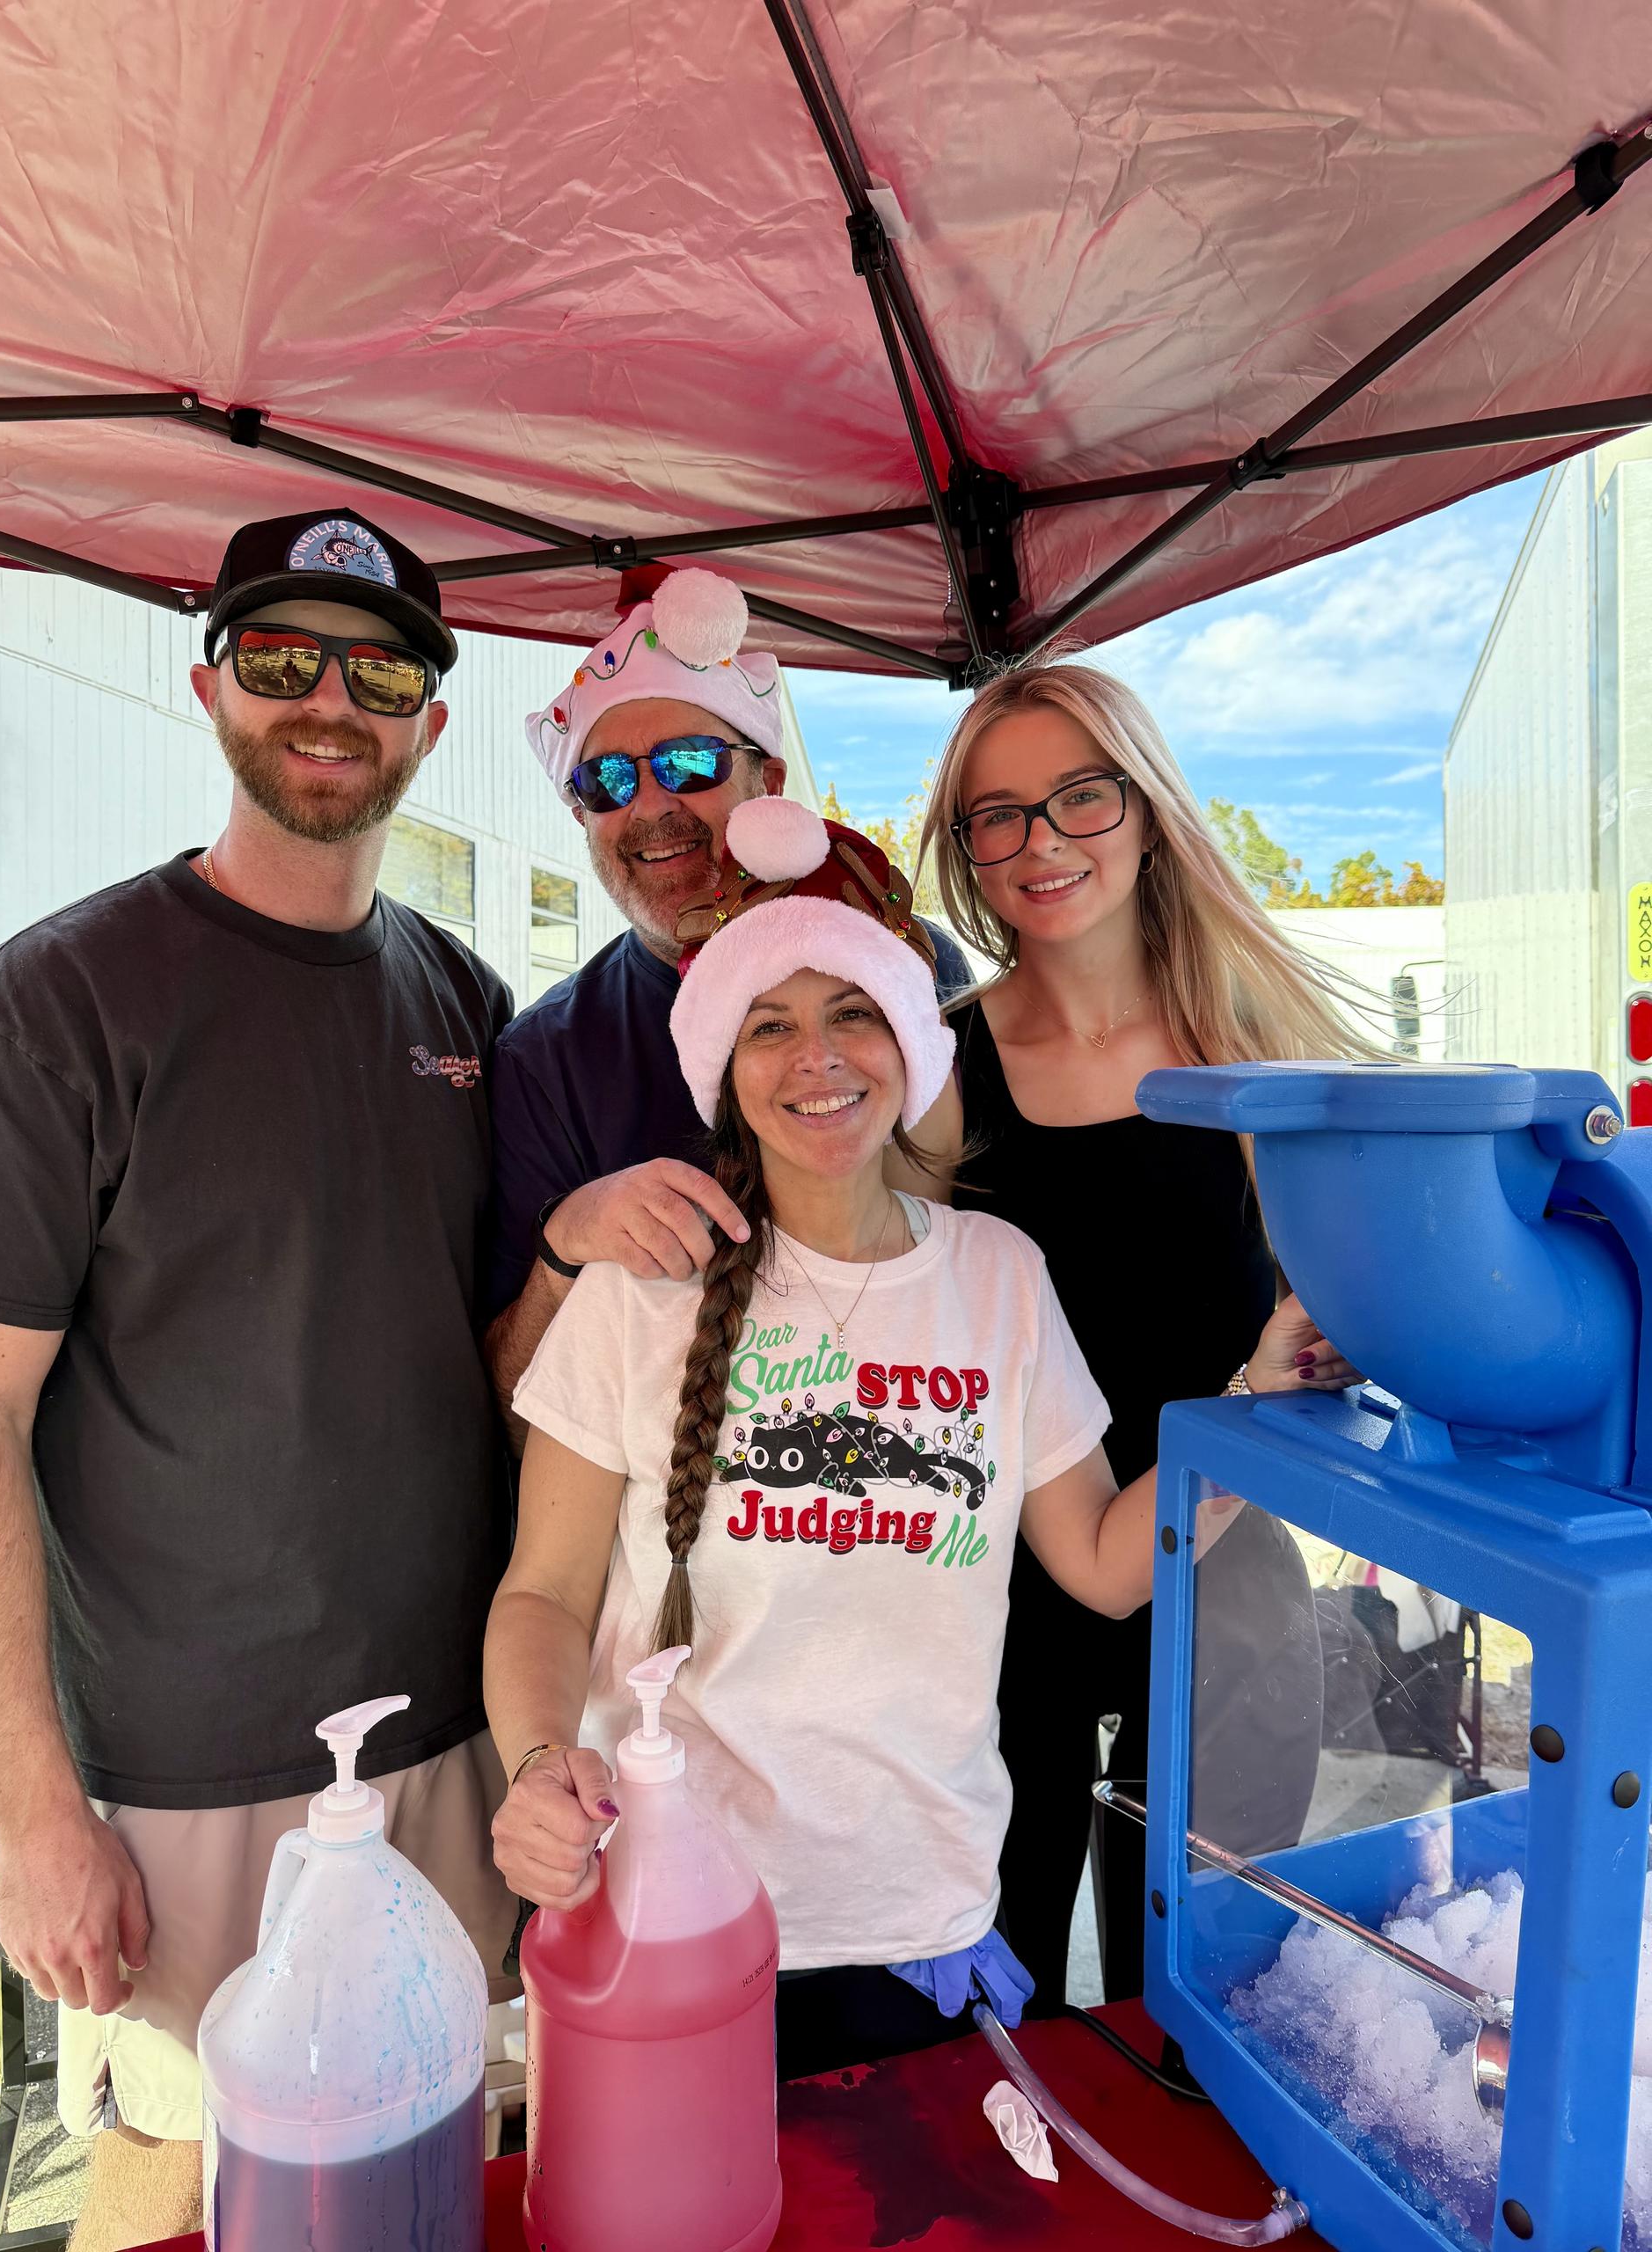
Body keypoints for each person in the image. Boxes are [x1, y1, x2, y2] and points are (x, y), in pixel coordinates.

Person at [483, 794, 1348, 2080]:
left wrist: (1252, 1403)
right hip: (666, 1912)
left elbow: (1106, 1566)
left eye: (853, 1013)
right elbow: (543, 1595)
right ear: (723, 1067)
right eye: (769, 1025)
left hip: (916, 1925)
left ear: (910, 1042)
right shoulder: (642, 1285)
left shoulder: (997, 1274)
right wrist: (540, 1769)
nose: (816, 1057)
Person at [0, 509, 519, 2250]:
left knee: (431, 2176)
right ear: (210, 689)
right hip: (176, 1771)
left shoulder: (470, 1003)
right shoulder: (62, 998)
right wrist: (34, 1809)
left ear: (432, 721)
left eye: (379, 672)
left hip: (449, 1746)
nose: (328, 700)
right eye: (281, 658)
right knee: (181, 2188)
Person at [915, 661, 1377, 2013]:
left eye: (1080, 796)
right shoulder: (937, 1071)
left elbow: (1363, 1298)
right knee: (987, 2016)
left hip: (1225, 1589)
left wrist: (1340, 1340)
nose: (1041, 841)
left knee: (1203, 2011)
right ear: (964, 846)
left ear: (1147, 805)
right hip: (994, 1609)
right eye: (998, 815)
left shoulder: (1256, 1049)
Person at [483, 565, 968, 1436]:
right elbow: (514, 1416)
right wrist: (565, 1248)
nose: (651, 805)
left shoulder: (907, 968)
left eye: (690, 762)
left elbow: (983, 1258)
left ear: (768, 781)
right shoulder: (545, 1057)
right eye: (606, 782)